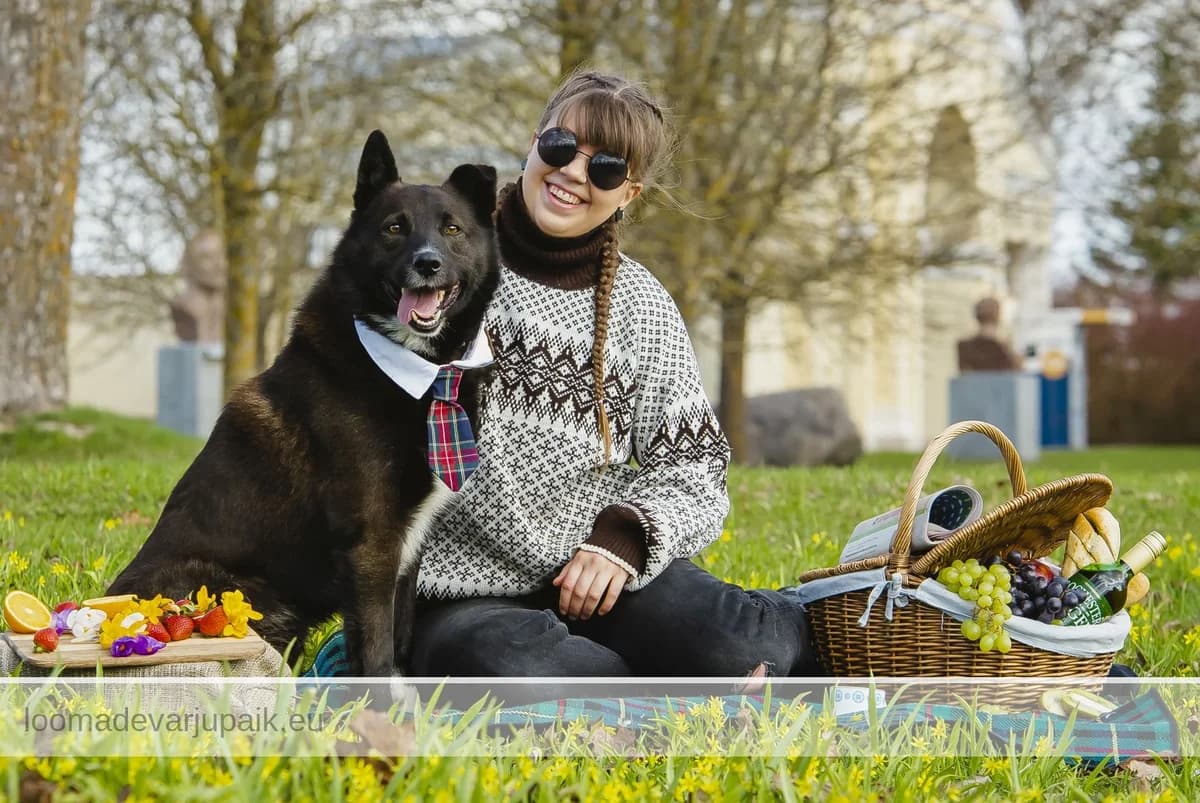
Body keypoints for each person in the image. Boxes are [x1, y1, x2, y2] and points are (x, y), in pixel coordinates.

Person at [399, 69, 822, 684]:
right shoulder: (433, 257)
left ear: (629, 195)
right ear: (535, 140)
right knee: (506, 670)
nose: (574, 172)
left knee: (737, 646)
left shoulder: (642, 307)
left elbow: (696, 467)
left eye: (605, 169)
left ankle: (768, 639)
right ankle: (694, 699)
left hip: (602, 578)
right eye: (562, 147)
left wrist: (622, 540)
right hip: (458, 596)